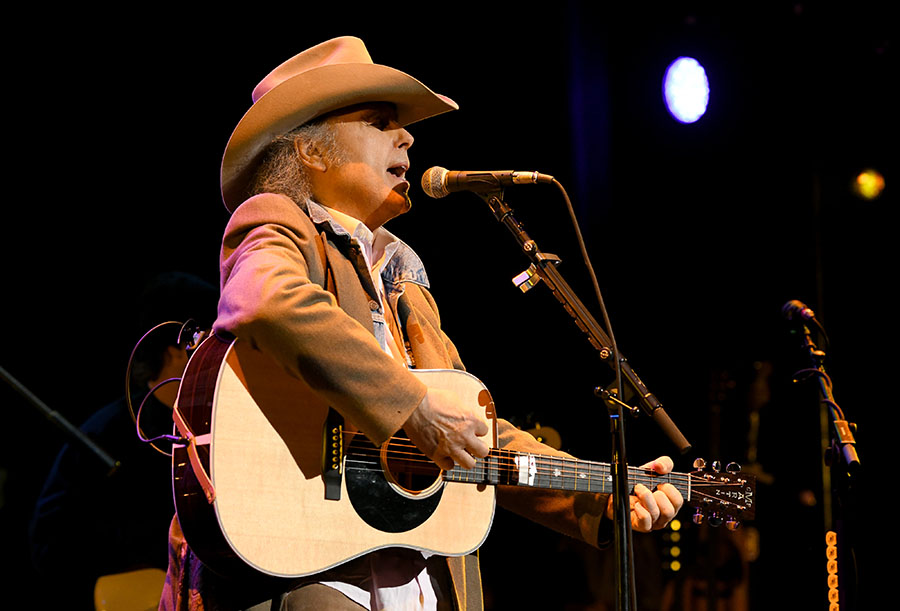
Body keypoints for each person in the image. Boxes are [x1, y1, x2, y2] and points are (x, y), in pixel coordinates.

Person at [160, 36, 683, 611]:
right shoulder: (279, 221)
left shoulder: (403, 275)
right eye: (382, 121)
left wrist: (599, 489)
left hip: (417, 578)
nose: (408, 136)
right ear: (312, 151)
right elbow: (265, 298)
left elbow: (472, 436)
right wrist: (410, 408)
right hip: (300, 571)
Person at [29, 271, 217, 610]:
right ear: (177, 348)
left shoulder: (221, 427)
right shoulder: (109, 431)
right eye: (211, 338)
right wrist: (156, 538)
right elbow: (50, 542)